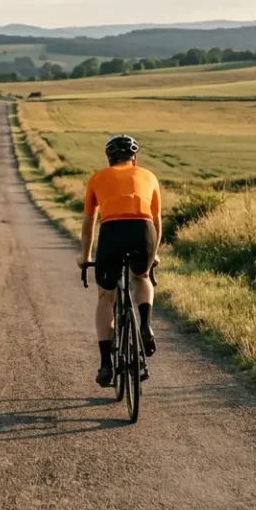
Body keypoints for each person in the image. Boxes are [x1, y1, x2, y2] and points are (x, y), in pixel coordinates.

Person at [77, 135, 161, 387]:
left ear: (109, 158)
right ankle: (145, 326)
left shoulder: (97, 178)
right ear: (134, 159)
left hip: (112, 232)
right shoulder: (149, 176)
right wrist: (153, 253)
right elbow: (156, 221)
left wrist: (85, 256)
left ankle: (106, 365)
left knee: (106, 296)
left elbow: (89, 222)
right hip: (143, 231)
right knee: (142, 277)